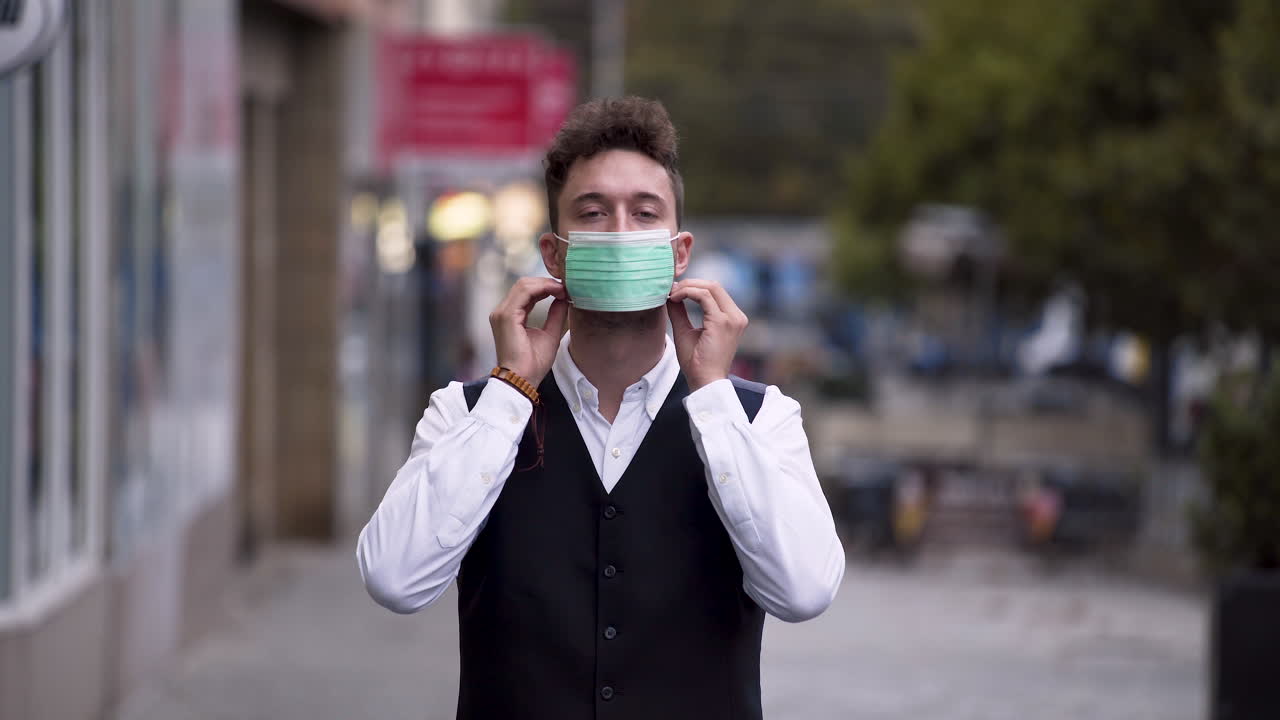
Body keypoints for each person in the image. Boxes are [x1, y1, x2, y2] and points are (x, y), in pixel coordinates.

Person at [356, 96, 845, 720]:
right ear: (554, 253)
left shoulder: (759, 419)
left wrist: (713, 395)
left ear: (679, 252)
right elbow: (395, 581)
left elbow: (803, 592)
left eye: (645, 213)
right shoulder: (466, 413)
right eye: (593, 212)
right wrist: (510, 390)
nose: (619, 232)